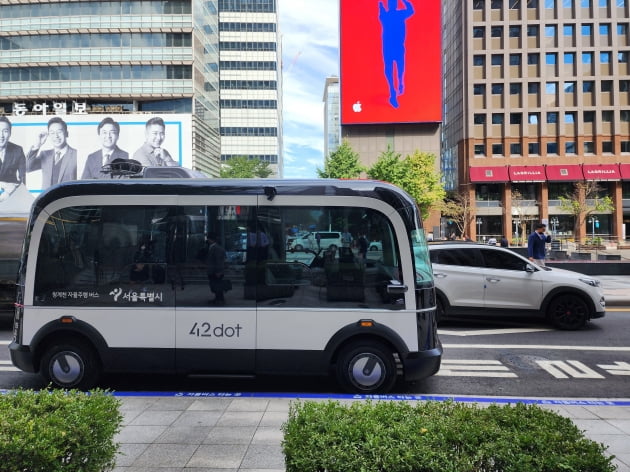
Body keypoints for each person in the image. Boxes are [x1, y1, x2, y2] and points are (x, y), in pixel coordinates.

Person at [379, 0, 414, 108]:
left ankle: (400, 83)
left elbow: (411, 11)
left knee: (400, 68)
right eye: (390, 3)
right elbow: (410, 10)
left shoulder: (399, 13)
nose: (392, 5)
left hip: (397, 46)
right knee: (389, 69)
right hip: (388, 47)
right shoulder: (387, 14)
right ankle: (392, 92)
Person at [26, 116, 77, 189]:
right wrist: (37, 145)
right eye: (52, 133)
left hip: (67, 199)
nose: (56, 136)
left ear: (67, 133)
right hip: (48, 199)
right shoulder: (45, 155)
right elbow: (27, 168)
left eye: (59, 132)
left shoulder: (76, 155)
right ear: (49, 135)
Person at [0, 116, 26, 201]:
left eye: (5, 131)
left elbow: (23, 181)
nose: (1, 136)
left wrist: (9, 192)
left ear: (10, 133)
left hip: (12, 195)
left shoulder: (18, 150)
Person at [206, 232, 227, 305]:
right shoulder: (213, 247)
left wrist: (219, 271)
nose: (207, 240)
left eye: (208, 238)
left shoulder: (216, 248)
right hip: (213, 270)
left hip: (216, 271)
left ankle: (220, 300)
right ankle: (218, 299)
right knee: (215, 286)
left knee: (217, 286)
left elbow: (219, 261)